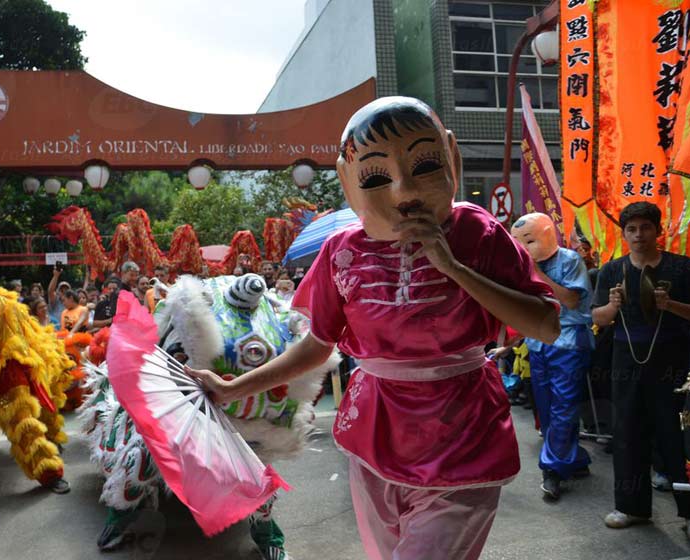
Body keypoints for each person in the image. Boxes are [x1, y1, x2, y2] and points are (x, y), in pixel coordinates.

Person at [187, 97, 560, 560]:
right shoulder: (341, 250)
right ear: (348, 181)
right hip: (376, 430)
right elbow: (316, 345)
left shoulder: (478, 232)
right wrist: (232, 388)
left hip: (463, 432)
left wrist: (453, 265)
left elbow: (545, 324)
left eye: (424, 164)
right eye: (377, 177)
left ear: (452, 157)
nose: (403, 192)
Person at [592, 201, 690, 531]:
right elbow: (598, 318)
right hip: (625, 360)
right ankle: (632, 508)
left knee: (678, 434)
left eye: (645, 227)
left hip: (673, 360)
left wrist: (670, 305)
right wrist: (612, 305)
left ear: (658, 230)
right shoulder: (611, 270)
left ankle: (689, 511)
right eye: (631, 229)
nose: (638, 234)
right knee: (628, 432)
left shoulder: (681, 268)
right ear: (624, 234)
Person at [511, 213, 594, 500]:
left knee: (564, 405)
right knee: (546, 407)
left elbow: (571, 300)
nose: (524, 247)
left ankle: (553, 468)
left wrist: (537, 273)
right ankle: (574, 458)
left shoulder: (569, 260)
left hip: (568, 342)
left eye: (529, 240)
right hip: (538, 343)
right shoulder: (522, 266)